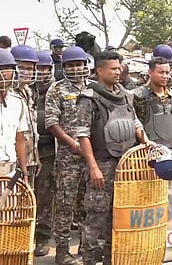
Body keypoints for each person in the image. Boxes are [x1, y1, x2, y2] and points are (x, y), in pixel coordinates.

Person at [75, 51, 152, 265]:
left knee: (117, 217)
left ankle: (112, 259)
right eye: (113, 69)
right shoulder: (88, 98)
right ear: (100, 71)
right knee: (96, 217)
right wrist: (93, 167)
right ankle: (89, 260)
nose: (118, 72)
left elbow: (135, 123)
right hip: (102, 163)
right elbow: (83, 134)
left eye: (119, 68)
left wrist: (146, 141)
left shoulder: (126, 95)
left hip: (126, 164)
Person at [46, 46, 91, 265]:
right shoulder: (57, 89)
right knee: (65, 203)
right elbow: (52, 123)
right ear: (64, 68)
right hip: (68, 157)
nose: (75, 69)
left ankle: (85, 246)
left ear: (85, 65)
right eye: (70, 65)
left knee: (87, 202)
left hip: (91, 157)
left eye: (78, 64)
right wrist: (73, 144)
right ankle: (62, 250)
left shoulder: (94, 88)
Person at [133, 56, 172, 155]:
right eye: (161, 72)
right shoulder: (138, 97)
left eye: (167, 73)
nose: (165, 76)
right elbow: (135, 123)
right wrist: (146, 142)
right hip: (150, 154)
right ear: (150, 73)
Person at [32, 51, 56, 257]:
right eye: (37, 68)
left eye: (44, 68)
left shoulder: (56, 89)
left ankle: (42, 237)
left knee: (44, 194)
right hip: (26, 149)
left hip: (49, 149)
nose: (41, 72)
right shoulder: (25, 89)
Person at [10, 44, 40, 185]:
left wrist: (35, 156)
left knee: (29, 201)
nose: (27, 72)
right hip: (13, 161)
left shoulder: (27, 91)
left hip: (30, 159)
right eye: (22, 68)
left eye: (30, 69)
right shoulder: (9, 94)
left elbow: (31, 128)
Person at [0, 49, 29, 183]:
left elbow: (20, 139)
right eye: (1, 68)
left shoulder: (17, 102)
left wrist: (24, 172)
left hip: (10, 173)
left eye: (8, 68)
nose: (4, 74)